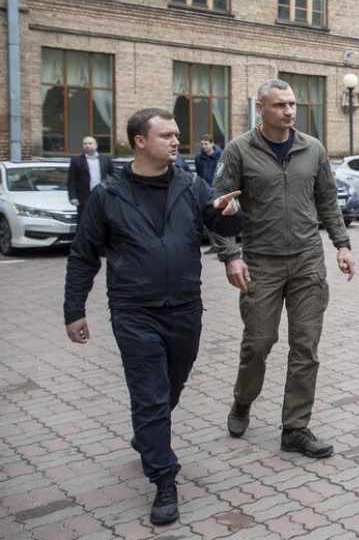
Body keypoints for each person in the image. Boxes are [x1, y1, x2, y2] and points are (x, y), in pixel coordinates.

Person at [63, 108, 242, 526]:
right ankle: (164, 479)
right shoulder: (108, 195)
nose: (176, 141)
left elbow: (221, 225)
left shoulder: (190, 182)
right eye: (166, 135)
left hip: (184, 308)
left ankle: (148, 433)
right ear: (139, 141)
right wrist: (75, 310)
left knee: (171, 385)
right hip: (134, 312)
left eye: (177, 134)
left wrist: (228, 215)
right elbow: (83, 256)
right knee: (151, 394)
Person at [212, 79, 355, 459]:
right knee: (259, 344)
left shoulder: (313, 149)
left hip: (308, 260)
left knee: (305, 347)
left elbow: (327, 201)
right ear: (261, 107)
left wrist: (342, 245)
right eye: (279, 105)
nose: (289, 111)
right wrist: (231, 254)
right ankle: (243, 401)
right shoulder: (240, 150)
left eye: (292, 104)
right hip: (261, 262)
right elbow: (220, 206)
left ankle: (295, 427)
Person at [67, 136, 114, 221]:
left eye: (90, 143)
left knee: (102, 220)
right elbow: (71, 180)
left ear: (96, 145)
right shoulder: (76, 160)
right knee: (83, 221)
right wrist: (73, 197)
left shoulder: (106, 159)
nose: (87, 145)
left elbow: (113, 176)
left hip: (103, 196)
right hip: (84, 197)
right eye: (85, 144)